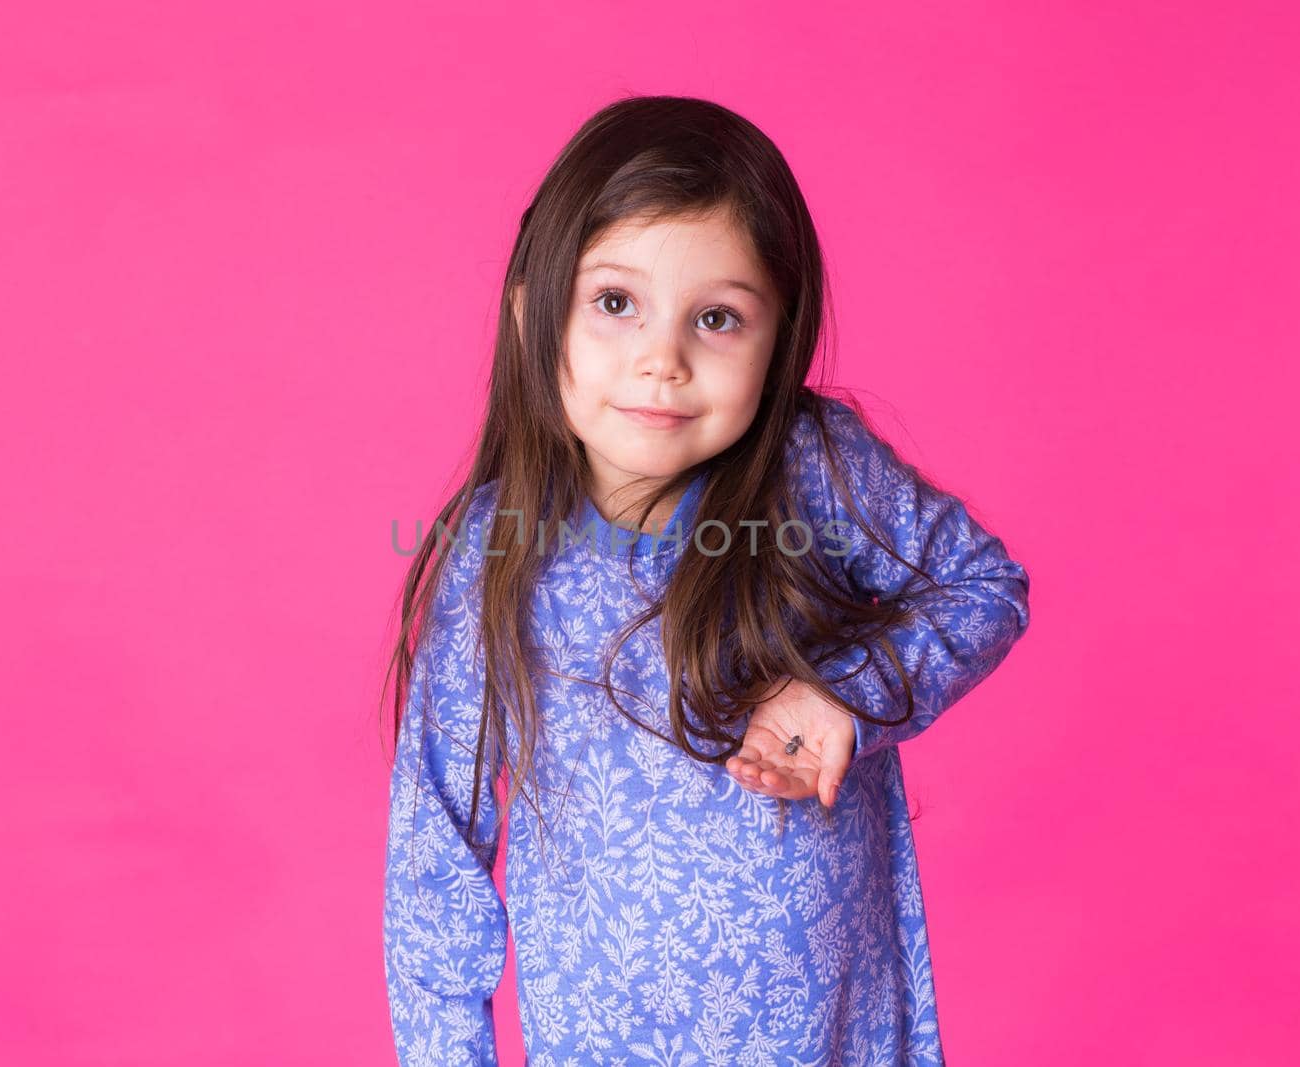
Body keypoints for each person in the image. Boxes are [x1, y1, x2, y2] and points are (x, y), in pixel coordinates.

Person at [380, 94, 1032, 1066]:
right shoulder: (496, 553)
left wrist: (846, 692)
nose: (661, 360)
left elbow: (984, 584)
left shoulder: (814, 470)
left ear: (780, 341)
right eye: (614, 303)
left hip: (822, 1037)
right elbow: (436, 856)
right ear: (531, 306)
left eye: (716, 318)